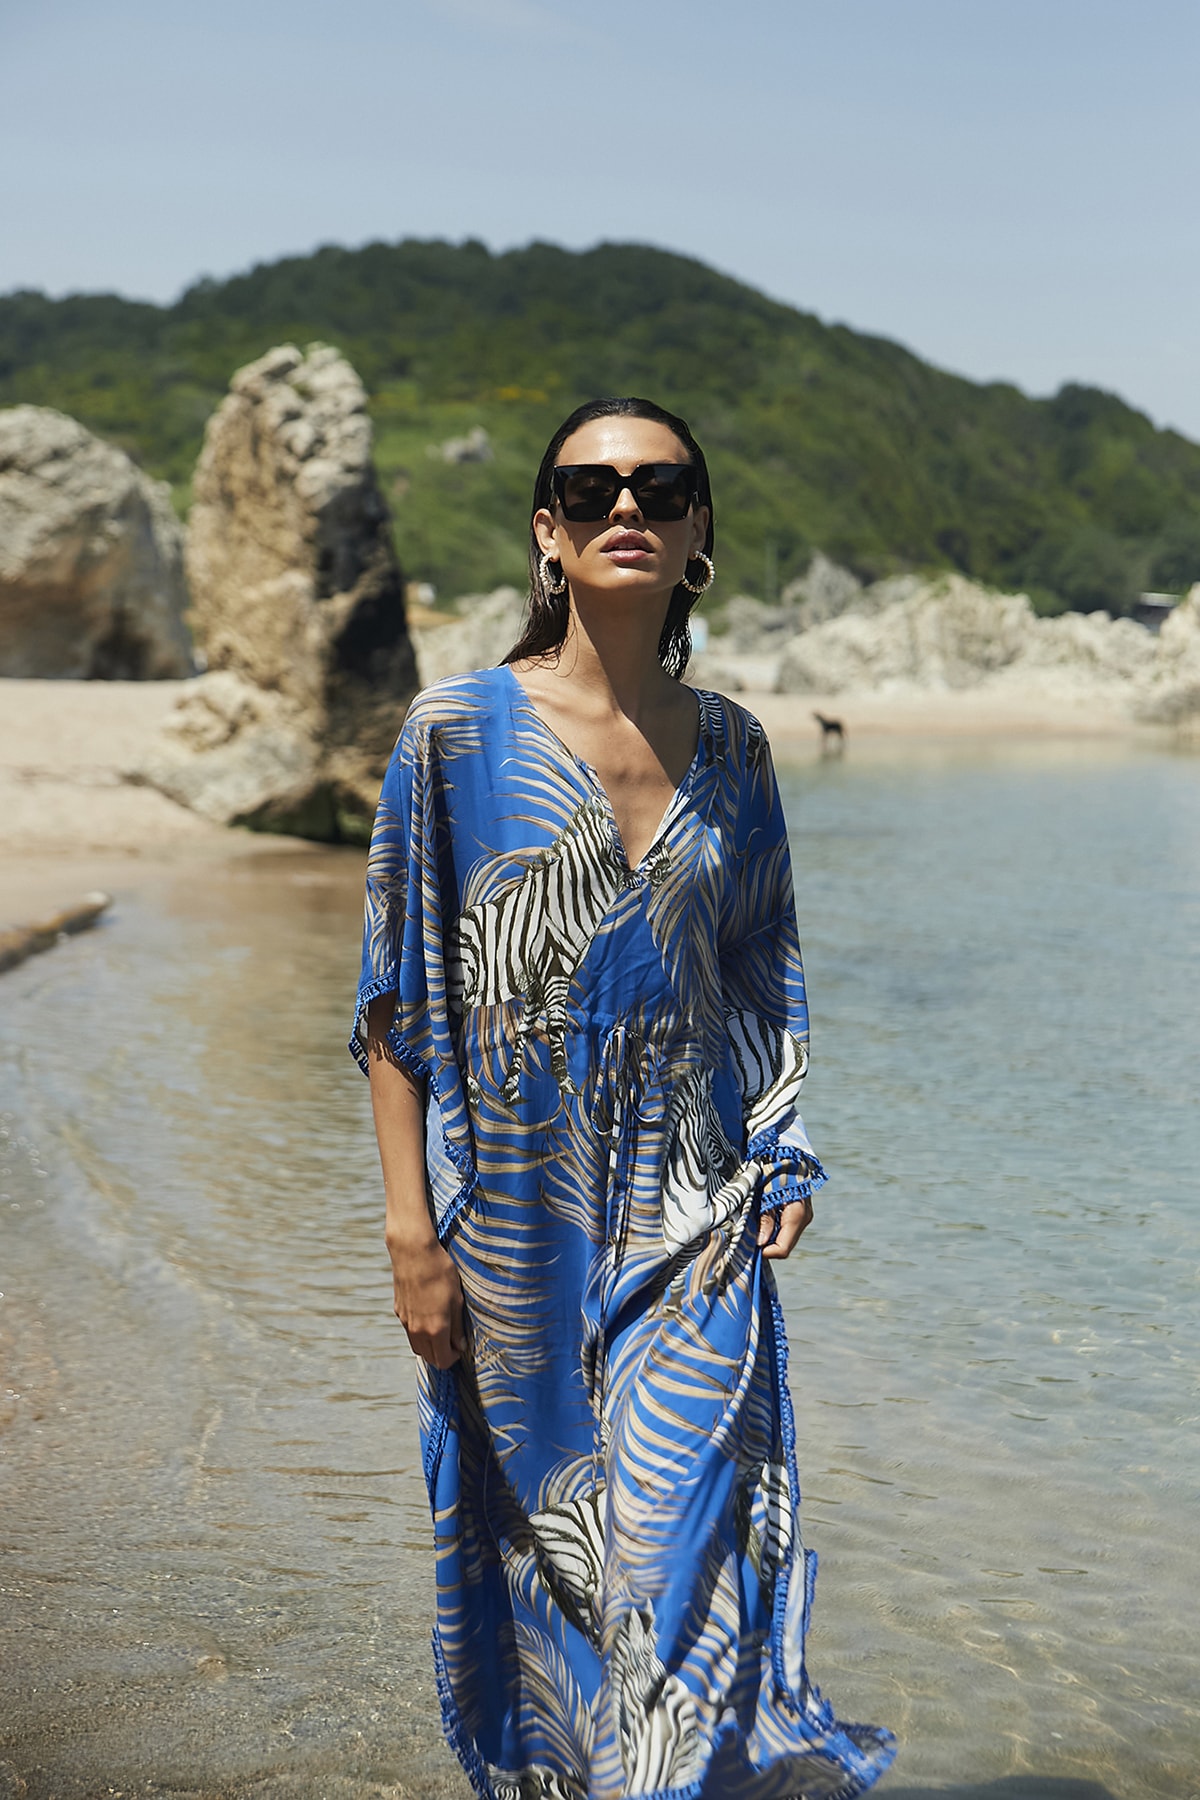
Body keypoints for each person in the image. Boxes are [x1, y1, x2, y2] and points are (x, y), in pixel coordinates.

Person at [352, 396, 895, 1800]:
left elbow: (761, 969)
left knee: (686, 1564)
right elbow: (396, 1005)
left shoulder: (737, 749)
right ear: (548, 531)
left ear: (699, 527)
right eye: (591, 491)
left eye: (659, 486)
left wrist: (784, 1147)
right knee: (559, 1570)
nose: (627, 508)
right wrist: (410, 1233)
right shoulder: (454, 734)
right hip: (515, 1221)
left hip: (698, 1212)